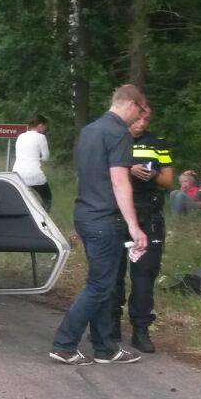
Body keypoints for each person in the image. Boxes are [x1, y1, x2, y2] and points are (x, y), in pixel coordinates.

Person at [50, 84, 148, 366]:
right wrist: (134, 226)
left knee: (106, 284)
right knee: (100, 285)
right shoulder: (119, 133)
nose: (140, 119)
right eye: (141, 112)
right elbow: (119, 182)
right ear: (131, 105)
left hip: (85, 213)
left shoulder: (90, 130)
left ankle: (106, 347)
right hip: (105, 218)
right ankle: (64, 344)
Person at [93, 104, 173, 354]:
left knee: (144, 275)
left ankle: (141, 329)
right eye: (138, 119)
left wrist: (152, 175)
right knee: (113, 274)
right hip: (116, 214)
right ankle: (111, 327)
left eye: (146, 120)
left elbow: (168, 180)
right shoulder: (115, 140)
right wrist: (129, 170)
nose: (141, 124)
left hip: (148, 215)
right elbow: (99, 174)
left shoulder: (158, 144)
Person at [12, 115, 52, 210]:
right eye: (45, 127)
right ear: (40, 125)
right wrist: (39, 159)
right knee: (47, 197)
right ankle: (43, 218)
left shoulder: (20, 136)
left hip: (17, 174)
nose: (45, 129)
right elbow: (46, 157)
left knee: (24, 200)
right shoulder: (41, 137)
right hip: (34, 174)